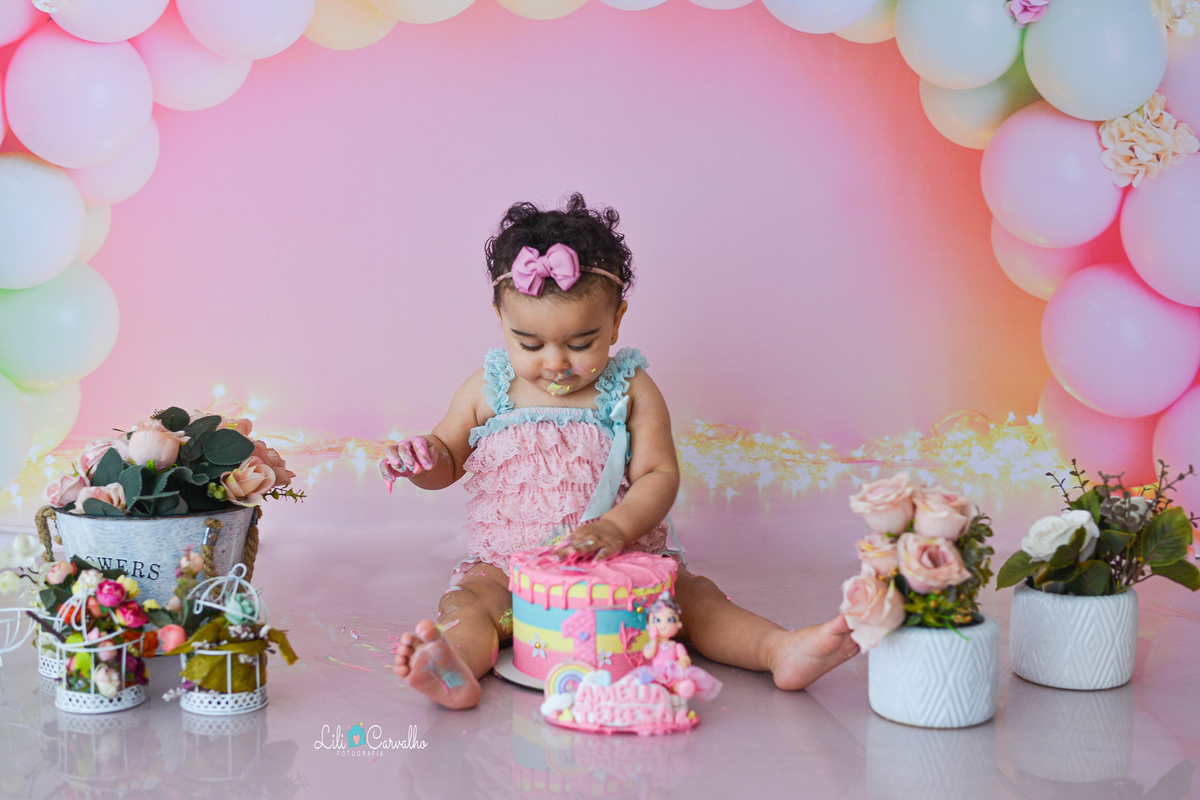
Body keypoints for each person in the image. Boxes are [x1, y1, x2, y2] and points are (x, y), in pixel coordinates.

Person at [387, 194, 858, 709]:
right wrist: (424, 460)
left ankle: (779, 650)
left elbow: (658, 473)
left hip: (623, 561)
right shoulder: (487, 389)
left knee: (692, 600)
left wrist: (615, 530)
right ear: (500, 317)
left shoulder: (630, 388)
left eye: (581, 343)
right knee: (473, 603)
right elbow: (449, 461)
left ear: (616, 322)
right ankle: (452, 668)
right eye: (530, 343)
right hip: (508, 566)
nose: (556, 363)